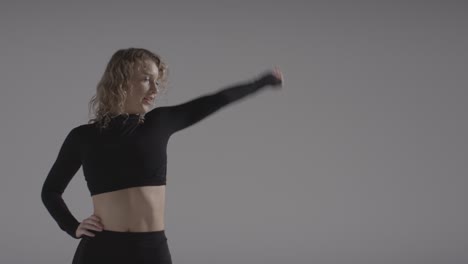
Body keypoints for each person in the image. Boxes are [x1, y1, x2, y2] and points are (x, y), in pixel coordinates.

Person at [41, 47, 284, 264]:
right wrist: (73, 227)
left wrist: (263, 81)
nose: (155, 89)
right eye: (147, 80)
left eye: (157, 81)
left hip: (150, 249)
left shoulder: (160, 122)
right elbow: (50, 191)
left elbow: (217, 100)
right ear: (121, 81)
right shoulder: (82, 137)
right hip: (100, 249)